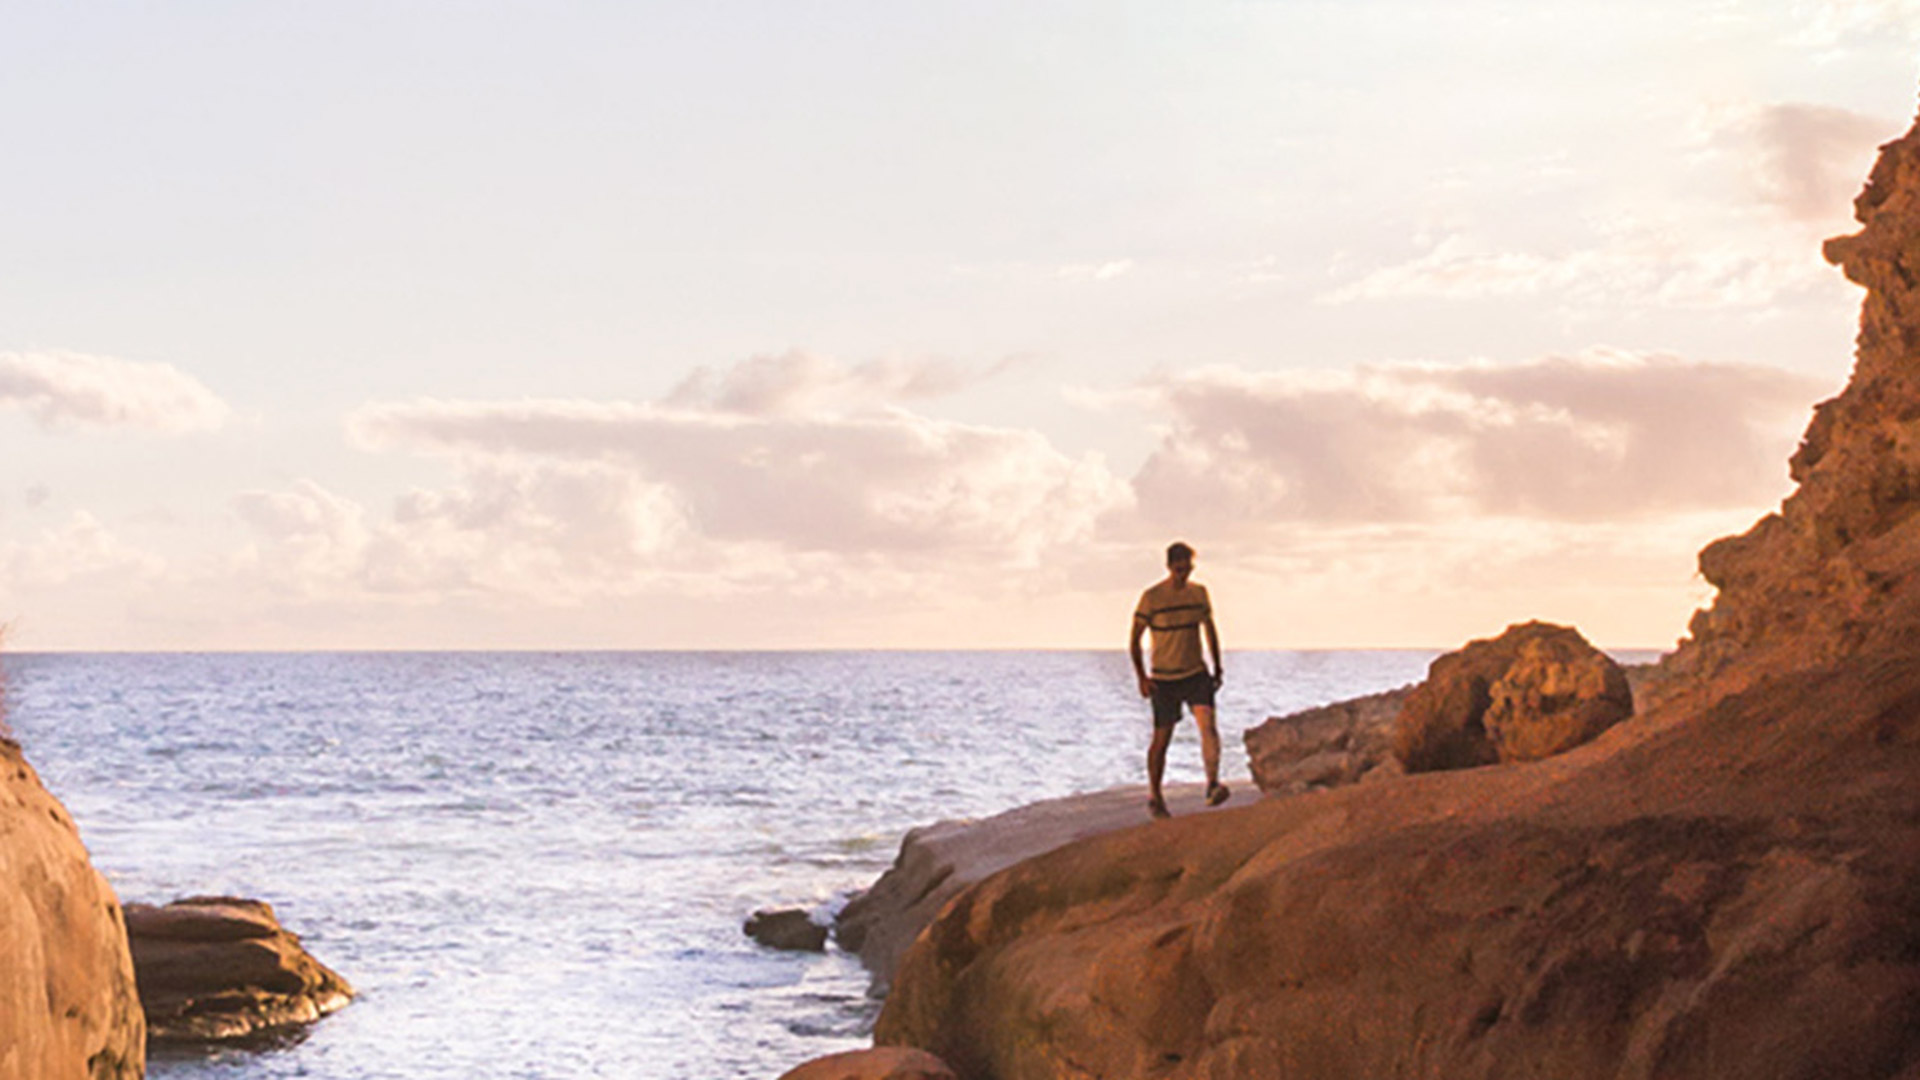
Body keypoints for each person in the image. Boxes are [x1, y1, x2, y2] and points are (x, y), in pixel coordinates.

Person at [1129, 540, 1228, 819]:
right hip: (1164, 678)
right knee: (1162, 738)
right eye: (1180, 569)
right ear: (1170, 566)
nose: (1184, 574)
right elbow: (1134, 639)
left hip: (1195, 673)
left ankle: (1212, 784)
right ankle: (1155, 795)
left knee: (1207, 726)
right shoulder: (1152, 598)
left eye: (1188, 569)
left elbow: (1210, 630)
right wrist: (1141, 677)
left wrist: (1217, 667)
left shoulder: (1199, 594)